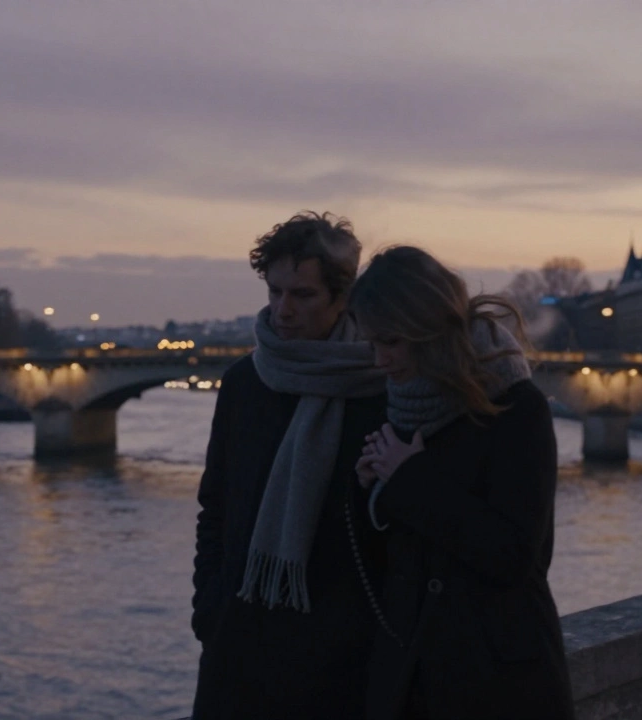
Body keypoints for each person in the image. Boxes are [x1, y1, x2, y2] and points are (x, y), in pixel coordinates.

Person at [349, 246, 575, 719]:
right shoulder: (398, 407)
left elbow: (515, 557)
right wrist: (371, 493)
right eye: (372, 343)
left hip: (497, 684)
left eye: (389, 341)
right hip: (410, 680)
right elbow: (388, 565)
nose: (380, 360)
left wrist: (409, 482)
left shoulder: (517, 408)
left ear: (428, 328)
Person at [191, 211, 388, 719]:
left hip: (344, 656)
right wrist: (209, 613)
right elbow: (215, 506)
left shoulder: (383, 386)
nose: (282, 311)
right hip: (240, 643)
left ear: (342, 298)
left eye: (302, 295)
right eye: (275, 292)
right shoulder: (244, 382)